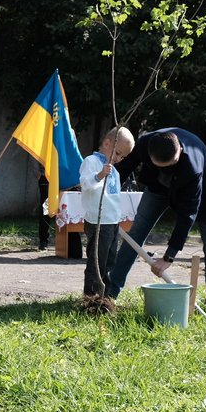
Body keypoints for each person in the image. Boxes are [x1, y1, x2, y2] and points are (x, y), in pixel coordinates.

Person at [106, 128, 206, 316]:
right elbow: (121, 171)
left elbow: (187, 214)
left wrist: (169, 256)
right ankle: (110, 294)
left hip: (203, 189)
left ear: (179, 151)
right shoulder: (143, 145)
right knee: (137, 231)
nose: (166, 170)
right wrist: (103, 190)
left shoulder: (193, 166)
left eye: (169, 165)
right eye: (160, 166)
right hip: (158, 187)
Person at [79, 127, 135, 297]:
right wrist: (99, 175)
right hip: (97, 221)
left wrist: (117, 217)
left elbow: (113, 197)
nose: (119, 159)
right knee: (97, 261)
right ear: (107, 143)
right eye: (117, 153)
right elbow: (85, 184)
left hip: (111, 222)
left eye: (123, 156)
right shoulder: (91, 162)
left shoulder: (114, 171)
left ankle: (106, 296)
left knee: (110, 261)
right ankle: (91, 296)